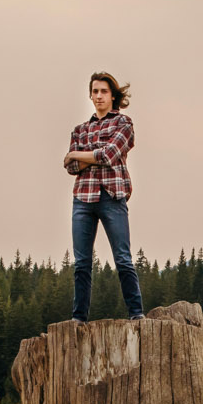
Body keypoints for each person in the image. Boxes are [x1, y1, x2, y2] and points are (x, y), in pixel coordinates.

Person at [63, 71, 146, 321]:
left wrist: (78, 154)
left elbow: (110, 155)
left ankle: (136, 314)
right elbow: (70, 168)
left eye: (104, 91)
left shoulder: (123, 123)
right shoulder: (80, 130)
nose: (99, 96)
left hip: (113, 196)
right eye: (95, 91)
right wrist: (86, 157)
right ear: (90, 95)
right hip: (83, 200)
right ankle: (79, 318)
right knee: (82, 263)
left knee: (122, 258)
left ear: (113, 96)